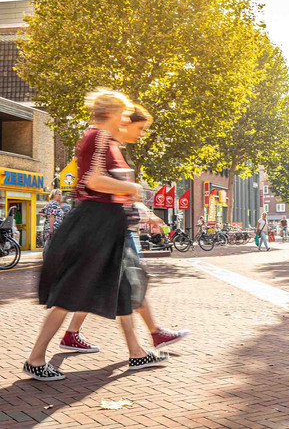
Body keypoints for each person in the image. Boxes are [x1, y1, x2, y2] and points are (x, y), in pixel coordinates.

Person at [24, 88, 167, 382]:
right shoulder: (99, 137)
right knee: (70, 293)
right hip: (95, 224)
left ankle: (137, 352)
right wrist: (132, 189)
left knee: (124, 287)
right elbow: (94, 181)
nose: (126, 119)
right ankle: (36, 359)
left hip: (103, 224)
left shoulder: (101, 139)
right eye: (124, 114)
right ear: (112, 113)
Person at [61, 103, 188, 355]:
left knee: (116, 282)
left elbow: (121, 192)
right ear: (124, 121)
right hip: (112, 227)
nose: (142, 134)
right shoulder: (103, 143)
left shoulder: (113, 147)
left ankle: (73, 334)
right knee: (130, 282)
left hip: (119, 226)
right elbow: (99, 185)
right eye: (140, 128)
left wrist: (147, 214)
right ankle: (147, 340)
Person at [42, 189, 64, 254]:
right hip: (54, 227)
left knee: (49, 245)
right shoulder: (54, 204)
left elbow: (40, 212)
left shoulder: (49, 203)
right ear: (54, 195)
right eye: (59, 194)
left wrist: (46, 215)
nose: (61, 196)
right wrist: (51, 228)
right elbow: (52, 216)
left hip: (48, 226)